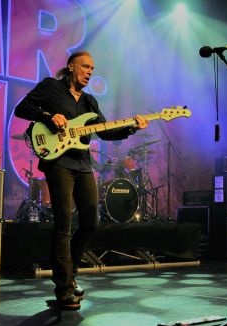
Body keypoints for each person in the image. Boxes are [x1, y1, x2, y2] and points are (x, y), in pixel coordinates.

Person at [14, 50, 148, 310]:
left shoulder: (89, 102)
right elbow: (22, 109)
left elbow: (106, 132)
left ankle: (70, 271)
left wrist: (132, 127)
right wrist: (48, 116)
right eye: (85, 66)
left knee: (90, 222)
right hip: (58, 163)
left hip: (83, 164)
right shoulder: (51, 87)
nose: (89, 72)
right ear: (71, 67)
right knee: (63, 223)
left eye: (92, 69)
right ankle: (63, 287)